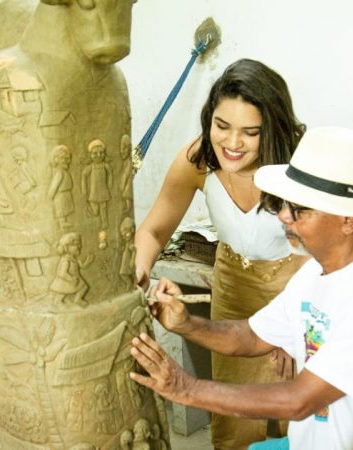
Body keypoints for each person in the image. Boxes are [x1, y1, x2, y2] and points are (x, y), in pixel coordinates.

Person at [130, 127, 353, 450]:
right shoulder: (316, 271)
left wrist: (185, 388)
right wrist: (186, 324)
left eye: (300, 210)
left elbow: (298, 400)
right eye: (285, 205)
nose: (284, 217)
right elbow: (251, 336)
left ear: (349, 220)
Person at [133, 58, 308, 448]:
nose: (231, 144)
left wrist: (295, 327)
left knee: (295, 411)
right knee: (234, 411)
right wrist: (139, 268)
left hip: (296, 291)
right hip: (233, 288)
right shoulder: (197, 161)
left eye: (250, 133)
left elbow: (324, 260)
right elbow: (154, 228)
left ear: (273, 129)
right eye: (221, 126)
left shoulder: (298, 166)